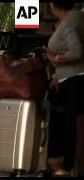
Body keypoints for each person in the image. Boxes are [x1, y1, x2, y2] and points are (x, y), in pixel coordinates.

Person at [46, 1, 84, 176]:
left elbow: (76, 51)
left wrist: (56, 57)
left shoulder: (69, 22)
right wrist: (56, 76)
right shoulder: (76, 18)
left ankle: (66, 165)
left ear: (54, 5)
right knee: (69, 122)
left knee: (69, 123)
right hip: (68, 79)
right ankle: (62, 162)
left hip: (73, 80)